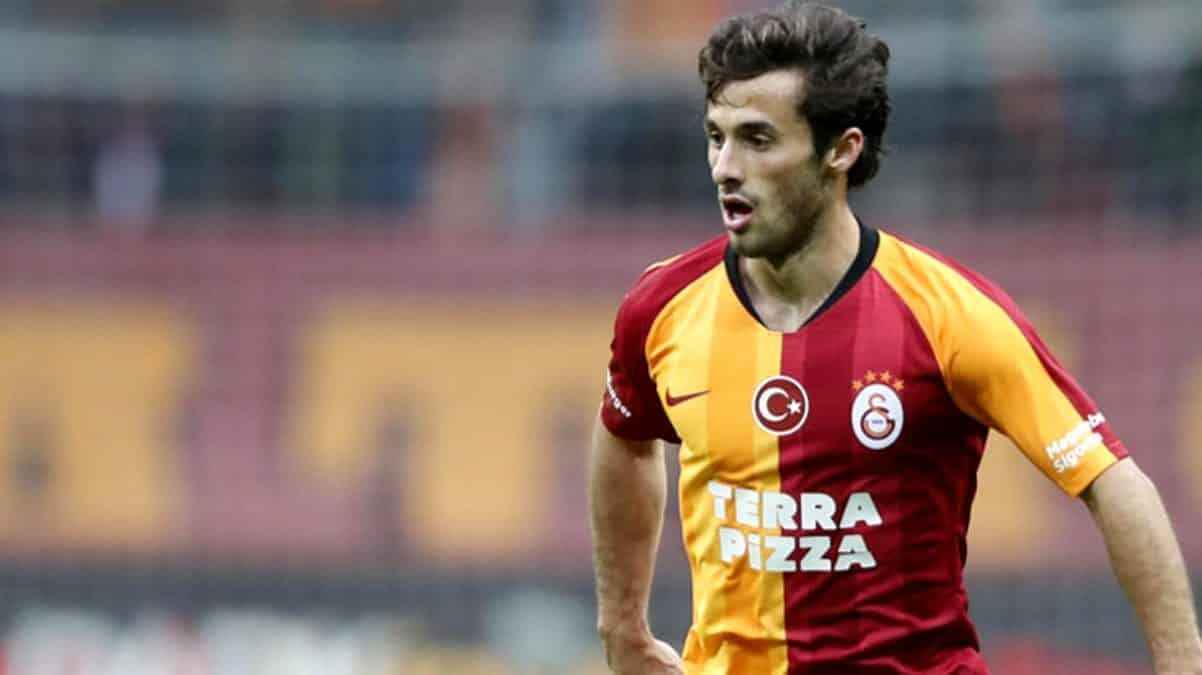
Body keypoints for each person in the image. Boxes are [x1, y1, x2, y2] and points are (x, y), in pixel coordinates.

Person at [586, 2, 1202, 673]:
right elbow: (625, 432)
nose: (725, 167)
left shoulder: (946, 315)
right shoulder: (663, 306)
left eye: (758, 140)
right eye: (717, 136)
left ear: (841, 149)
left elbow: (1111, 480)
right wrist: (623, 627)